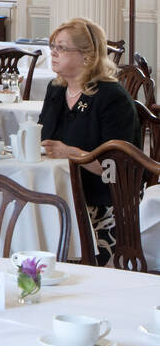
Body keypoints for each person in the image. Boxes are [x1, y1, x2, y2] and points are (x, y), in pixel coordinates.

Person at [38, 17, 139, 266]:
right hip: (59, 194)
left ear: (87, 56)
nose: (53, 52)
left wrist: (73, 153)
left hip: (100, 204)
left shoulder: (111, 98)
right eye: (52, 46)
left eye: (61, 47)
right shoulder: (56, 90)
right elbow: (44, 139)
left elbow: (118, 169)